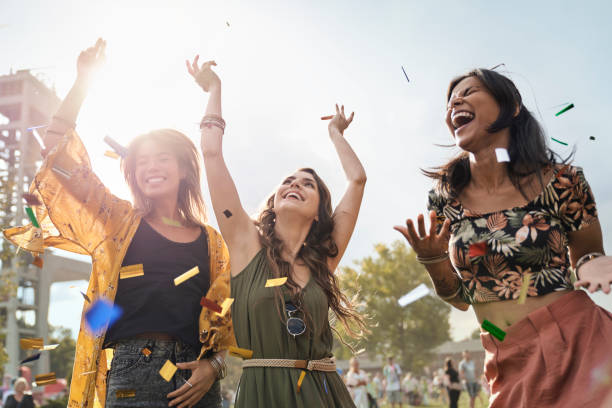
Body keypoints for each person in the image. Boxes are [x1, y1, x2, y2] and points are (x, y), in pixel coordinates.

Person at [4, 39, 234, 408]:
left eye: (162, 159)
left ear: (183, 170)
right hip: (132, 377)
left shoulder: (211, 243)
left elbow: (224, 319)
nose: (151, 167)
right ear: (132, 172)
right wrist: (82, 83)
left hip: (197, 382)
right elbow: (55, 154)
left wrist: (214, 367)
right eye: (141, 161)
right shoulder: (116, 221)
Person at [395, 68, 612, 407]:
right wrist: (432, 259)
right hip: (506, 356)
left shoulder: (561, 181)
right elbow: (461, 299)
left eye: (470, 91)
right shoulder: (445, 198)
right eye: (451, 98)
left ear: (511, 108)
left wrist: (592, 263)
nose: (456, 100)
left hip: (580, 344)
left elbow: (588, 255)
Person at [187, 55, 367, 407]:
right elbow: (211, 154)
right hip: (263, 394)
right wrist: (214, 89)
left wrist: (335, 134)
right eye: (288, 181)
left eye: (307, 185)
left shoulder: (323, 260)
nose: (294, 185)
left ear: (319, 213)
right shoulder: (244, 242)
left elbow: (357, 179)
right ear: (274, 200)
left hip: (325, 393)